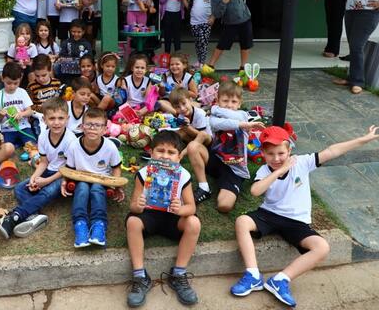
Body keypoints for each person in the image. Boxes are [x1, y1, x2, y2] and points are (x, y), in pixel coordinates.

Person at [230, 125, 379, 307]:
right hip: (269, 214)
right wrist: (279, 171)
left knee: (322, 247)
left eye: (281, 153)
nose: (276, 158)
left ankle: (280, 280)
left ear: (289, 151)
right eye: (270, 154)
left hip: (296, 222)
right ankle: (253, 275)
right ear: (263, 153)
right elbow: (255, 191)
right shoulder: (264, 171)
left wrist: (362, 140)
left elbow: (332, 151)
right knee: (242, 221)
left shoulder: (302, 162)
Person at [125, 130, 200, 307]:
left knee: (194, 222)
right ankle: (140, 276)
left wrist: (180, 209)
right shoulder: (144, 174)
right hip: (149, 215)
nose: (165, 156)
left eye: (171, 152)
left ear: (179, 157)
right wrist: (139, 204)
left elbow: (191, 207)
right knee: (132, 221)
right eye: (160, 150)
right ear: (151, 153)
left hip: (173, 217)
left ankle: (178, 274)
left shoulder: (183, 175)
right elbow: (133, 206)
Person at [0, 98, 77, 239]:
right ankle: (35, 216)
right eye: (52, 118)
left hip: (65, 175)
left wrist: (45, 182)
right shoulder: (43, 136)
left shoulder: (71, 140)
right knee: (20, 188)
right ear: (44, 120)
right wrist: (35, 177)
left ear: (67, 119)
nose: (56, 122)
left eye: (61, 118)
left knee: (47, 192)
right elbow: (44, 162)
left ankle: (15, 216)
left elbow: (68, 167)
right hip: (50, 170)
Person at [186, 81, 264, 208]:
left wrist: (215, 108)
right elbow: (220, 124)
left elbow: (235, 117)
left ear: (239, 103)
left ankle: (225, 184)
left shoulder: (242, 115)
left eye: (233, 102)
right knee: (193, 146)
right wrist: (242, 125)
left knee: (224, 206)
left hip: (235, 168)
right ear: (218, 100)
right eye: (225, 101)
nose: (229, 105)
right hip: (216, 160)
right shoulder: (214, 118)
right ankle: (204, 188)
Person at [61, 108, 125, 247]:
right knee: (83, 188)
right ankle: (80, 225)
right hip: (81, 178)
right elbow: (69, 169)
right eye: (89, 124)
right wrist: (64, 182)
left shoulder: (110, 147)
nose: (92, 128)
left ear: (104, 129)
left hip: (101, 180)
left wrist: (116, 186)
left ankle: (98, 224)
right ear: (82, 126)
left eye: (97, 125)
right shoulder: (74, 146)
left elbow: (116, 168)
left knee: (96, 189)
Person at [207, 0, 265, 71]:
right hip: (229, 24)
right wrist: (223, 3)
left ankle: (243, 67)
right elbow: (217, 14)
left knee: (245, 44)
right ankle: (210, 66)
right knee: (222, 44)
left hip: (245, 21)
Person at [0, 62, 37, 151]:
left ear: (21, 79)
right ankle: (17, 144)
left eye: (16, 83)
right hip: (7, 130)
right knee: (4, 148)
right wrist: (0, 115)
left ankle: (20, 144)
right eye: (9, 83)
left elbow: (30, 111)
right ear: (2, 78)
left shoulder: (22, 92)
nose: (12, 86)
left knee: (32, 145)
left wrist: (21, 114)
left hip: (23, 127)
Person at [189, 0, 216, 66]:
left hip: (205, 22)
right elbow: (189, 6)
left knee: (203, 43)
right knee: (197, 43)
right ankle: (199, 60)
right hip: (194, 22)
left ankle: (202, 62)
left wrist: (213, 17)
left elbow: (216, 6)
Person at [117, 53, 152, 119]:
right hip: (129, 106)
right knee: (118, 114)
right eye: (137, 67)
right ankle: (136, 116)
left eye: (142, 68)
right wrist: (131, 110)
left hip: (143, 107)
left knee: (156, 103)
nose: (139, 70)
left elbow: (149, 100)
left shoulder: (148, 81)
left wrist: (142, 111)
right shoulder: (126, 80)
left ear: (146, 69)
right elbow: (123, 100)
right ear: (132, 68)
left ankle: (140, 115)